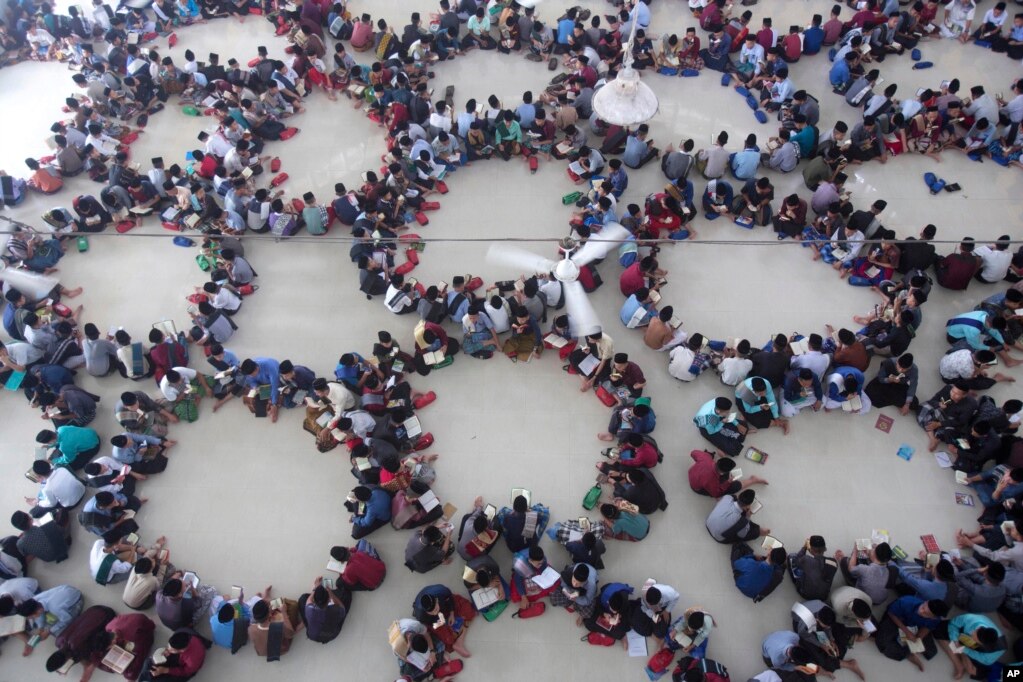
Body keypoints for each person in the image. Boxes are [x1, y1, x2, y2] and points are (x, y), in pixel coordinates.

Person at [875, 596, 948, 671]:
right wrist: (907, 632)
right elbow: (891, 613)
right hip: (897, 619)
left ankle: (908, 651)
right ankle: (908, 655)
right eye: (923, 607)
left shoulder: (935, 619)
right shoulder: (906, 602)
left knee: (931, 651)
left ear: (933, 617)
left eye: (926, 614)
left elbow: (927, 628)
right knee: (883, 644)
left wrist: (918, 639)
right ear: (926, 601)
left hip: (915, 625)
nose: (921, 611)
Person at [935, 613, 1006, 680]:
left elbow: (981, 658)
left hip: (977, 651)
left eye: (974, 638)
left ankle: (962, 654)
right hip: (963, 634)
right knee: (937, 629)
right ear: (978, 628)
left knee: (973, 672)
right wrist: (955, 640)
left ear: (983, 645)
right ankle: (959, 665)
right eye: (975, 632)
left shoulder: (996, 652)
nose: (972, 633)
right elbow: (953, 624)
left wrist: (964, 650)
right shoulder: (970, 619)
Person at [688, 449, 767, 498]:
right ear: (722, 472)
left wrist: (707, 456)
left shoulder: (705, 458)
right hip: (697, 487)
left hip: (693, 474)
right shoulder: (712, 481)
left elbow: (693, 452)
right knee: (734, 487)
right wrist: (728, 482)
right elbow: (716, 493)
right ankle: (753, 480)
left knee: (709, 454)